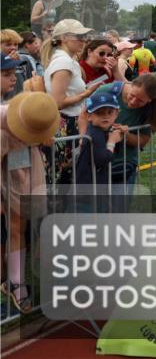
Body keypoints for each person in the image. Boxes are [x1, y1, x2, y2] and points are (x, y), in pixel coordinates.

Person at [1, 92, 60, 313]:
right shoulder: (3, 124)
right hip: (8, 175)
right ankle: (16, 284)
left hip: (28, 169)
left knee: (31, 225)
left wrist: (44, 138)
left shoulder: (38, 112)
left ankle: (22, 281)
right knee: (16, 227)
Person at [92, 74, 156, 190]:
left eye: (140, 101)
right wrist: (83, 138)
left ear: (149, 100)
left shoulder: (150, 109)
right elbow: (84, 115)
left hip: (122, 166)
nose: (134, 102)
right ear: (131, 85)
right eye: (132, 95)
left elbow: (143, 140)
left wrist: (125, 135)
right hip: (96, 162)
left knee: (119, 206)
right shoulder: (107, 91)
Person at [42, 19, 100, 137]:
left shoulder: (67, 61)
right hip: (68, 126)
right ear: (63, 37)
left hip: (71, 123)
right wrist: (86, 93)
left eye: (84, 36)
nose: (84, 40)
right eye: (79, 36)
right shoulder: (64, 62)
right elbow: (58, 102)